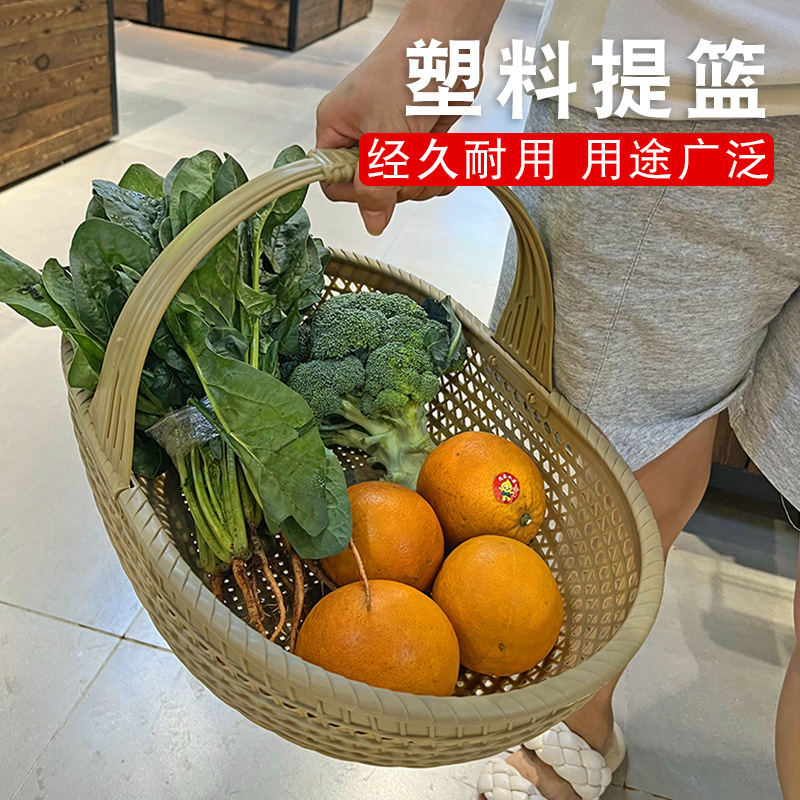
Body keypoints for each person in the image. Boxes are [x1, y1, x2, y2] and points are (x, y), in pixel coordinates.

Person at [314, 0, 800, 797]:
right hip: (673, 76)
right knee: (609, 447)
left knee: (608, 447)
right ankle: (580, 713)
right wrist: (436, 31)